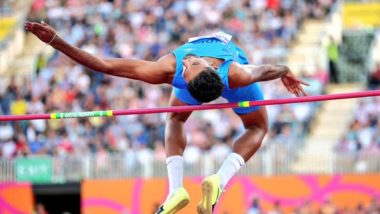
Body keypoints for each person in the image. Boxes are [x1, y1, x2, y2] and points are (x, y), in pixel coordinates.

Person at [25, 21, 308, 214]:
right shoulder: (229, 73)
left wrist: (283, 72)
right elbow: (271, 68)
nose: (186, 61)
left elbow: (104, 65)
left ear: (210, 68)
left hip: (228, 83)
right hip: (233, 83)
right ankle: (215, 182)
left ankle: (179, 189)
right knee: (256, 127)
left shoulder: (190, 71)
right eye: (187, 65)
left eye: (191, 63)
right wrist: (286, 72)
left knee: (176, 120)